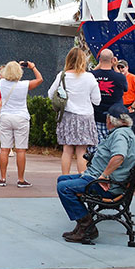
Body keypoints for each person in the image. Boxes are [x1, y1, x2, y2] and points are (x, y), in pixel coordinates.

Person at [56, 104, 135, 243]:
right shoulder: (127, 132)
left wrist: (104, 176)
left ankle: (87, 227)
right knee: (62, 179)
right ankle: (82, 223)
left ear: (110, 120)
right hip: (100, 178)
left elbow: (119, 156)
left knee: (64, 188)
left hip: (105, 184)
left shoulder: (120, 135)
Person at [48, 47, 101, 175]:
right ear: (83, 61)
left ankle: (64, 178)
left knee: (67, 150)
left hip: (67, 116)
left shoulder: (62, 76)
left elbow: (50, 94)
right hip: (85, 117)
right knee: (81, 151)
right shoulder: (89, 77)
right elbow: (97, 100)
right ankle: (82, 179)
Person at [0, 60, 43, 188]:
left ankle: (2, 178)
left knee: (4, 149)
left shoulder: (2, 83)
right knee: (20, 150)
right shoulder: (24, 85)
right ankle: (21, 179)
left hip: (6, 117)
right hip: (21, 117)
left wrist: (15, 65)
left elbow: (5, 73)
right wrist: (32, 67)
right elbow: (40, 79)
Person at [90, 48, 127, 143]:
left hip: (96, 116)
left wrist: (99, 65)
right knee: (115, 145)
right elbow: (125, 88)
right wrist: (115, 67)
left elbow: (88, 75)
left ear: (100, 60)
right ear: (112, 60)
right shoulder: (120, 77)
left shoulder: (91, 75)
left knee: (97, 146)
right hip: (114, 118)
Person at [117, 59, 135, 156]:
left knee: (133, 132)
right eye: (119, 67)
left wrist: (133, 107)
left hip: (130, 108)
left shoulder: (132, 78)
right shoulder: (119, 79)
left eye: (122, 67)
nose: (121, 69)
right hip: (122, 108)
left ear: (127, 67)